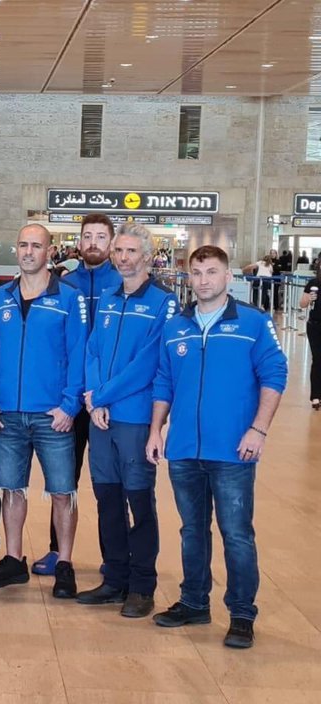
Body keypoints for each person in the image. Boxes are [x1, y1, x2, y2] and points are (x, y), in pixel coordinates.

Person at [147, 245, 287, 649]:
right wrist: (157, 430)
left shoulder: (253, 323)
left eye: (211, 272)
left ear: (228, 277)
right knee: (192, 530)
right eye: (196, 273)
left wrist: (258, 430)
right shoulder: (177, 326)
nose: (203, 280)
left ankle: (242, 613)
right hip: (185, 449)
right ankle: (194, 602)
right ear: (188, 278)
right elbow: (164, 382)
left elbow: (275, 374)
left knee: (236, 533)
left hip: (233, 451)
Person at [0, 224, 87, 598]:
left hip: (52, 415)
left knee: (62, 491)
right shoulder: (2, 296)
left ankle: (65, 563)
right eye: (22, 244)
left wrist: (70, 404)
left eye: (36, 245)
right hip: (6, 412)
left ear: (49, 251)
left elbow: (78, 355)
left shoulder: (69, 298)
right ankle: (12, 559)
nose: (27, 251)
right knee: (11, 488)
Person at [77, 223, 177, 618]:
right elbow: (93, 350)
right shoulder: (107, 296)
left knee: (138, 501)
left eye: (130, 251)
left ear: (147, 256)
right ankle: (114, 578)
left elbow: (148, 363)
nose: (121, 257)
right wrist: (94, 398)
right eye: (118, 250)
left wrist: (103, 395)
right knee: (107, 499)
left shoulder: (162, 302)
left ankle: (142, 585)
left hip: (134, 417)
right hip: (101, 418)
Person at [29, 213, 123, 576]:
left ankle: (112, 556)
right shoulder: (64, 284)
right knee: (63, 481)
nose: (94, 243)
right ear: (79, 243)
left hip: (106, 400)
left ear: (111, 243)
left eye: (101, 236)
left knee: (106, 482)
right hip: (69, 399)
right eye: (88, 236)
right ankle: (57, 551)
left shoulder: (122, 283)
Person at [302, 275, 321, 410]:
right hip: (315, 325)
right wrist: (308, 298)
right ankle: (316, 395)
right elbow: (302, 304)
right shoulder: (313, 283)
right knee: (318, 359)